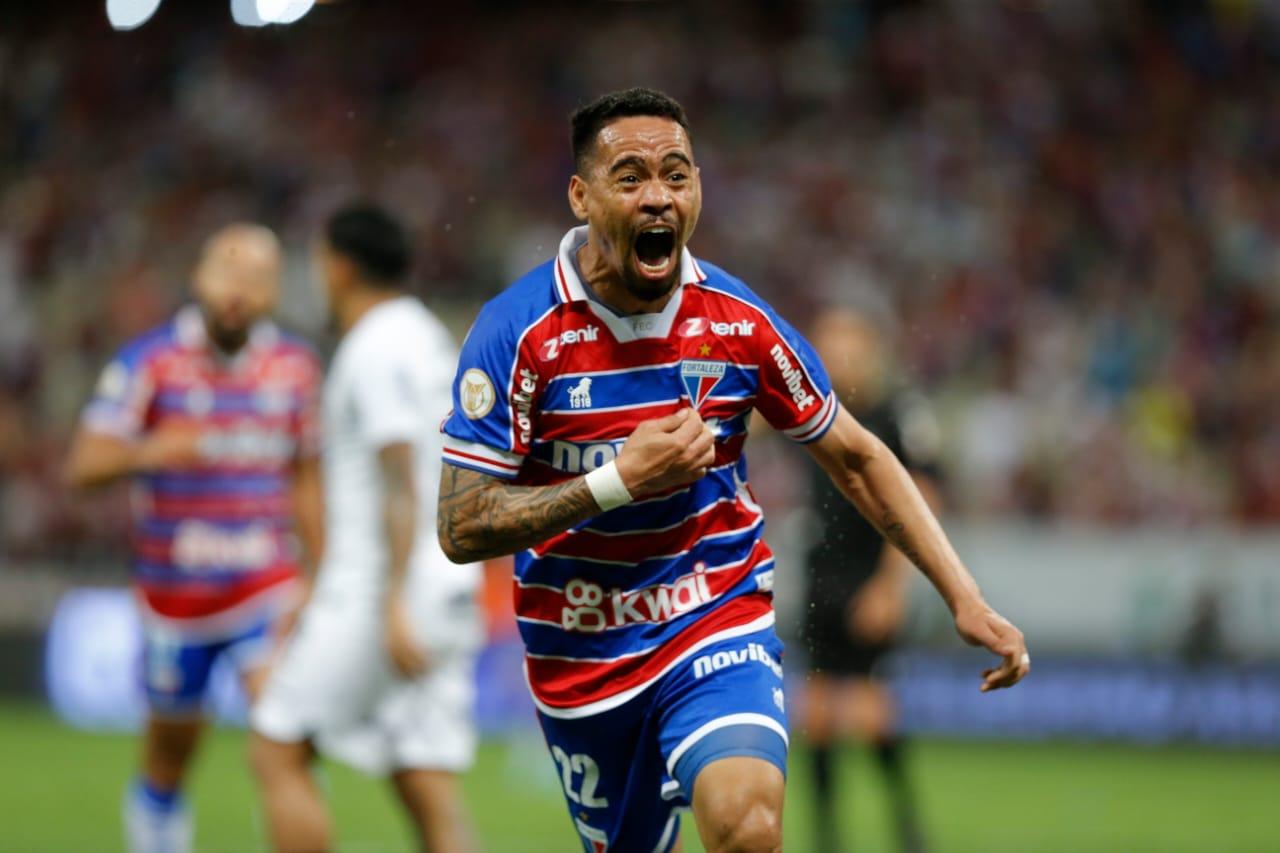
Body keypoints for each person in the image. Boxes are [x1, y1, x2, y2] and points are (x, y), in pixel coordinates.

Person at [436, 87, 1030, 853]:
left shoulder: (737, 322)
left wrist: (964, 596)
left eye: (677, 175)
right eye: (631, 177)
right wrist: (617, 480)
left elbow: (856, 455)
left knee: (748, 825)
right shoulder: (516, 333)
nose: (658, 196)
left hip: (712, 614)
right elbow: (461, 524)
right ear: (581, 196)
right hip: (581, 651)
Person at [65, 224, 324, 853]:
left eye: (256, 279)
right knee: (169, 757)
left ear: (274, 292)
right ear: (198, 279)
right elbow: (83, 466)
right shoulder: (149, 362)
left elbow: (306, 477)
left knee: (287, 744)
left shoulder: (294, 368)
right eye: (227, 274)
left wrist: (318, 575)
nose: (238, 292)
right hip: (175, 600)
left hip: (265, 588)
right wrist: (151, 449)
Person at [250, 204, 483, 853]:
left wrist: (392, 602)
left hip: (386, 591)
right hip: (445, 584)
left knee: (277, 749)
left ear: (340, 267)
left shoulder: (375, 346)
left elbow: (398, 471)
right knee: (424, 779)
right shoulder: (426, 336)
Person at [801, 300, 941, 853]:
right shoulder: (814, 408)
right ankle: (827, 838)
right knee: (817, 713)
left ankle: (908, 830)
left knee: (870, 709)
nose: (836, 351)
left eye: (846, 340)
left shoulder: (898, 413)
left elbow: (923, 498)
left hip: (869, 575)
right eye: (827, 340)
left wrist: (891, 584)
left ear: (869, 347)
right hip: (822, 577)